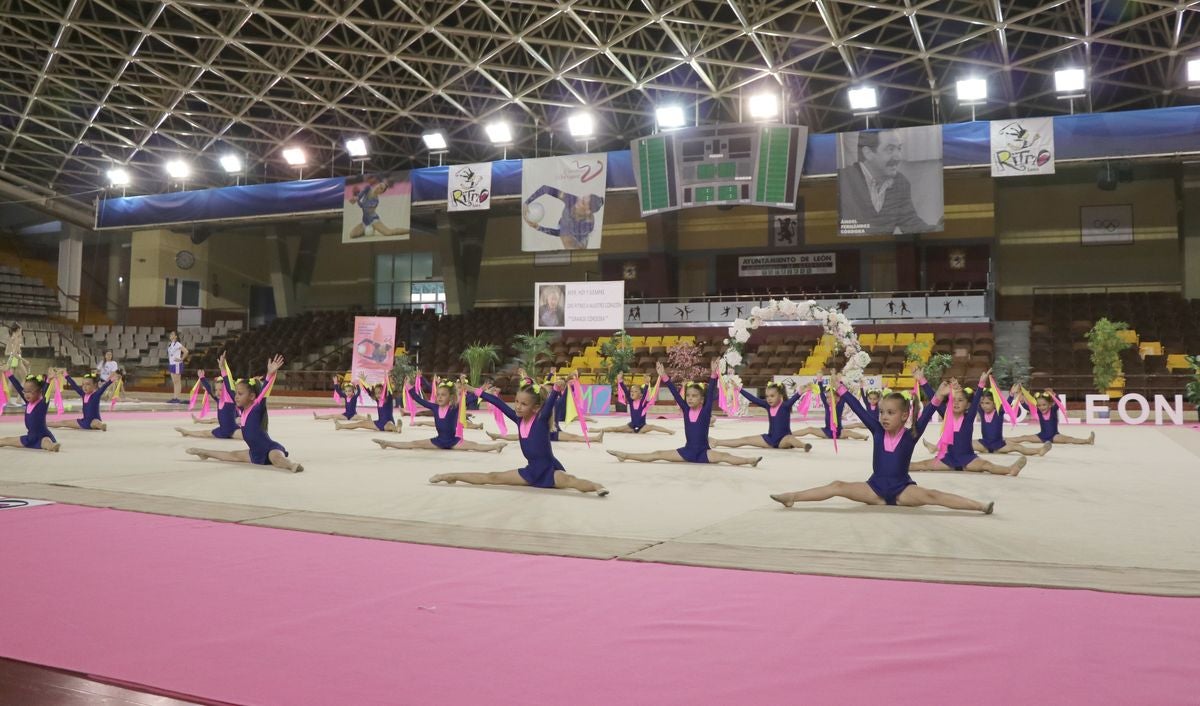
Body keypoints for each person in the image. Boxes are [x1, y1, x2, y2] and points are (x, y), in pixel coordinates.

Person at [769, 378, 994, 514]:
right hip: (874, 489)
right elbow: (858, 408)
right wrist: (841, 390)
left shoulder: (911, 434)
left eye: (890, 413)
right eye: (882, 413)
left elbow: (927, 413)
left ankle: (979, 506)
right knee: (838, 485)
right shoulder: (877, 430)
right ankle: (792, 496)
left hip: (902, 491)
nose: (884, 417)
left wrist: (938, 395)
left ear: (905, 415)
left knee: (932, 495)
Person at [430, 378, 608, 495]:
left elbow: (549, 405)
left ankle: (596, 486)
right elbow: (497, 402)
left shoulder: (541, 419)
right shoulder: (518, 419)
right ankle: (451, 475)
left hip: (549, 471)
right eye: (516, 402)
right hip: (530, 472)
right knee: (492, 477)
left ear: (536, 407)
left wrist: (555, 389)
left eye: (524, 404)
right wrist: (471, 390)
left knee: (571, 481)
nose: (518, 407)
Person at [607, 361, 760, 467]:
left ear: (702, 400)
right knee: (658, 454)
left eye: (694, 396)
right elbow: (675, 393)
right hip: (686, 452)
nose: (690, 398)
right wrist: (664, 376)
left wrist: (714, 374)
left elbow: (712, 387)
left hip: (703, 453)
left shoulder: (705, 411)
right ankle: (626, 455)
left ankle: (749, 460)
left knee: (724, 457)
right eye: (688, 396)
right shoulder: (686, 410)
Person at [186, 355, 303, 472]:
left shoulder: (257, 407)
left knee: (276, 459)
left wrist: (270, 374)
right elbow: (229, 387)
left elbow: (264, 391)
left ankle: (291, 465)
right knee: (232, 455)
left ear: (252, 396)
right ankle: (204, 452)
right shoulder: (242, 410)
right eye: (236, 394)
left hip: (270, 448)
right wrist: (223, 370)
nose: (236, 397)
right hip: (254, 453)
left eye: (240, 394)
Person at [909, 371, 1027, 476]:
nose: (956, 403)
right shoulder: (946, 415)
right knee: (922, 465)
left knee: (987, 465)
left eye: (960, 400)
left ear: (968, 405)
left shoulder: (969, 417)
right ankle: (893, 466)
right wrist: (922, 380)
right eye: (954, 400)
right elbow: (934, 397)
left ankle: (1010, 469)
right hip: (948, 460)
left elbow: (976, 401)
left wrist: (981, 384)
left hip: (968, 459)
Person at [837, 129, 939, 236]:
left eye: (899, 148)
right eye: (890, 149)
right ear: (868, 153)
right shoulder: (842, 182)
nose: (898, 157)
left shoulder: (901, 182)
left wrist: (937, 229)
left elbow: (910, 222)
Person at [372, 375, 505, 453]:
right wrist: (409, 388)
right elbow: (420, 400)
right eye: (438, 395)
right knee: (414, 443)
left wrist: (478, 388)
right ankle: (387, 443)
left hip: (454, 441)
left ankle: (496, 446)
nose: (439, 397)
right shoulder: (435, 407)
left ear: (450, 397)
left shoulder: (454, 407)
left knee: (475, 446)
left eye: (443, 395)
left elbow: (470, 398)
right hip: (438, 441)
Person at [925, 381, 1049, 457]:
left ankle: (1038, 450)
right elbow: (973, 401)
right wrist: (958, 388)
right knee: (958, 442)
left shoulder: (999, 412)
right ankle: (935, 448)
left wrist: (1011, 394)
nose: (984, 406)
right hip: (983, 444)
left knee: (1018, 447)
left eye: (988, 403)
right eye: (983, 403)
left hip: (999, 445)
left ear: (994, 404)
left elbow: (1007, 403)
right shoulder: (980, 410)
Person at [486, 371, 603, 443]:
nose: (549, 388)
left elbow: (560, 388)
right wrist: (524, 376)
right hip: (542, 430)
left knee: (573, 436)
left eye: (549, 387)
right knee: (518, 436)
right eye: (547, 387)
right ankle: (497, 436)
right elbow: (530, 388)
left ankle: (595, 439)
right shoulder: (540, 403)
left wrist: (568, 380)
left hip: (552, 431)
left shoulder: (554, 401)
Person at [711, 381, 812, 451]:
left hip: (783, 440)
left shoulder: (785, 406)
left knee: (790, 438)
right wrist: (739, 389)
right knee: (745, 440)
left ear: (780, 396)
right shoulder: (768, 406)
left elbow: (793, 399)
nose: (769, 399)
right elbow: (753, 399)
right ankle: (718, 442)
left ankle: (804, 446)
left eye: (772, 396)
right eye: (767, 396)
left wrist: (800, 392)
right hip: (770, 439)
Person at [176, 354, 242, 440]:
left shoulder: (230, 398)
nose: (217, 392)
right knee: (204, 433)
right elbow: (210, 391)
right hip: (222, 430)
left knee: (247, 436)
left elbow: (228, 384)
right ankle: (187, 432)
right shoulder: (218, 400)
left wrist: (222, 369)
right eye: (216, 390)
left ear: (225, 390)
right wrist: (202, 378)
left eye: (220, 390)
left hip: (233, 430)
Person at [0, 360, 59, 452]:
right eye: (25, 391)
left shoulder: (42, 404)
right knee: (6, 440)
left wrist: (49, 380)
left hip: (42, 436)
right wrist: (7, 372)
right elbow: (17, 386)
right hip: (30, 438)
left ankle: (51, 446)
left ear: (39, 392)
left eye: (30, 392)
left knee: (46, 442)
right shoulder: (28, 403)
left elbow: (45, 392)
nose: (26, 394)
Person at [1007, 385, 1096, 446]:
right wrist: (1022, 401)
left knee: (1069, 439)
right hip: (1041, 436)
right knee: (1024, 437)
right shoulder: (1038, 411)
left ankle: (1087, 440)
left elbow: (1058, 403)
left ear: (1050, 404)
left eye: (1044, 405)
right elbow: (1027, 407)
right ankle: (1006, 440)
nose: (1041, 407)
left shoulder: (1053, 410)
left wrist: (1053, 395)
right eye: (1039, 405)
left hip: (1054, 436)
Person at [523, 185, 605, 250]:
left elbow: (559, 233)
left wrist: (539, 228)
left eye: (583, 202)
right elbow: (546, 189)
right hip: (567, 225)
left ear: (588, 212)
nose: (579, 200)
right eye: (582, 197)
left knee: (568, 241)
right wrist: (527, 202)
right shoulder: (572, 199)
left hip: (578, 240)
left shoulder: (586, 225)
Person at [791, 378, 869, 441]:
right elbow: (821, 393)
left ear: (837, 398)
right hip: (827, 431)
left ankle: (863, 436)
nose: (828, 399)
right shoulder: (826, 404)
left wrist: (840, 382)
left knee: (848, 432)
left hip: (838, 432)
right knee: (810, 429)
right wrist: (820, 380)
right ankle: (790, 434)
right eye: (827, 397)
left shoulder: (840, 404)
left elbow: (844, 393)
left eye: (830, 397)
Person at [600, 372, 673, 435]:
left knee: (652, 426)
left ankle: (670, 431)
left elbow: (644, 393)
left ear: (640, 395)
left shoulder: (642, 403)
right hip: (632, 426)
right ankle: (597, 430)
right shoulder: (631, 401)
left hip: (643, 427)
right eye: (631, 391)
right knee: (616, 429)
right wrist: (620, 380)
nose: (632, 393)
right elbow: (625, 391)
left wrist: (647, 383)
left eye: (635, 391)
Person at [48, 368, 120, 432]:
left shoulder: (96, 395)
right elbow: (74, 385)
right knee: (64, 423)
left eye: (88, 384)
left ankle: (101, 426)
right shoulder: (83, 394)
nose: (84, 387)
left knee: (96, 422)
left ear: (95, 385)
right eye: (83, 384)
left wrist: (112, 380)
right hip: (84, 422)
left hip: (93, 421)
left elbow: (104, 387)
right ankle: (45, 424)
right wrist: (66, 375)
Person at [336, 377, 401, 433]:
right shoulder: (378, 400)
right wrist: (364, 382)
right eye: (376, 393)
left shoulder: (388, 399)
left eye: (380, 393)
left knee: (390, 425)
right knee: (360, 423)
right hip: (378, 424)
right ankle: (341, 426)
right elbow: (369, 392)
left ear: (384, 392)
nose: (378, 395)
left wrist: (388, 379)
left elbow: (387, 388)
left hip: (387, 423)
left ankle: (397, 428)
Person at [166, 330, 188, 404]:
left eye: (172, 334)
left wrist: (181, 359)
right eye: (170, 334)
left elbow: (186, 351)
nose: (170, 335)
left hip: (177, 364)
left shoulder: (177, 344)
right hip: (172, 364)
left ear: (175, 336)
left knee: (177, 382)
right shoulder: (170, 345)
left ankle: (177, 398)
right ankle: (175, 397)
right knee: (174, 382)